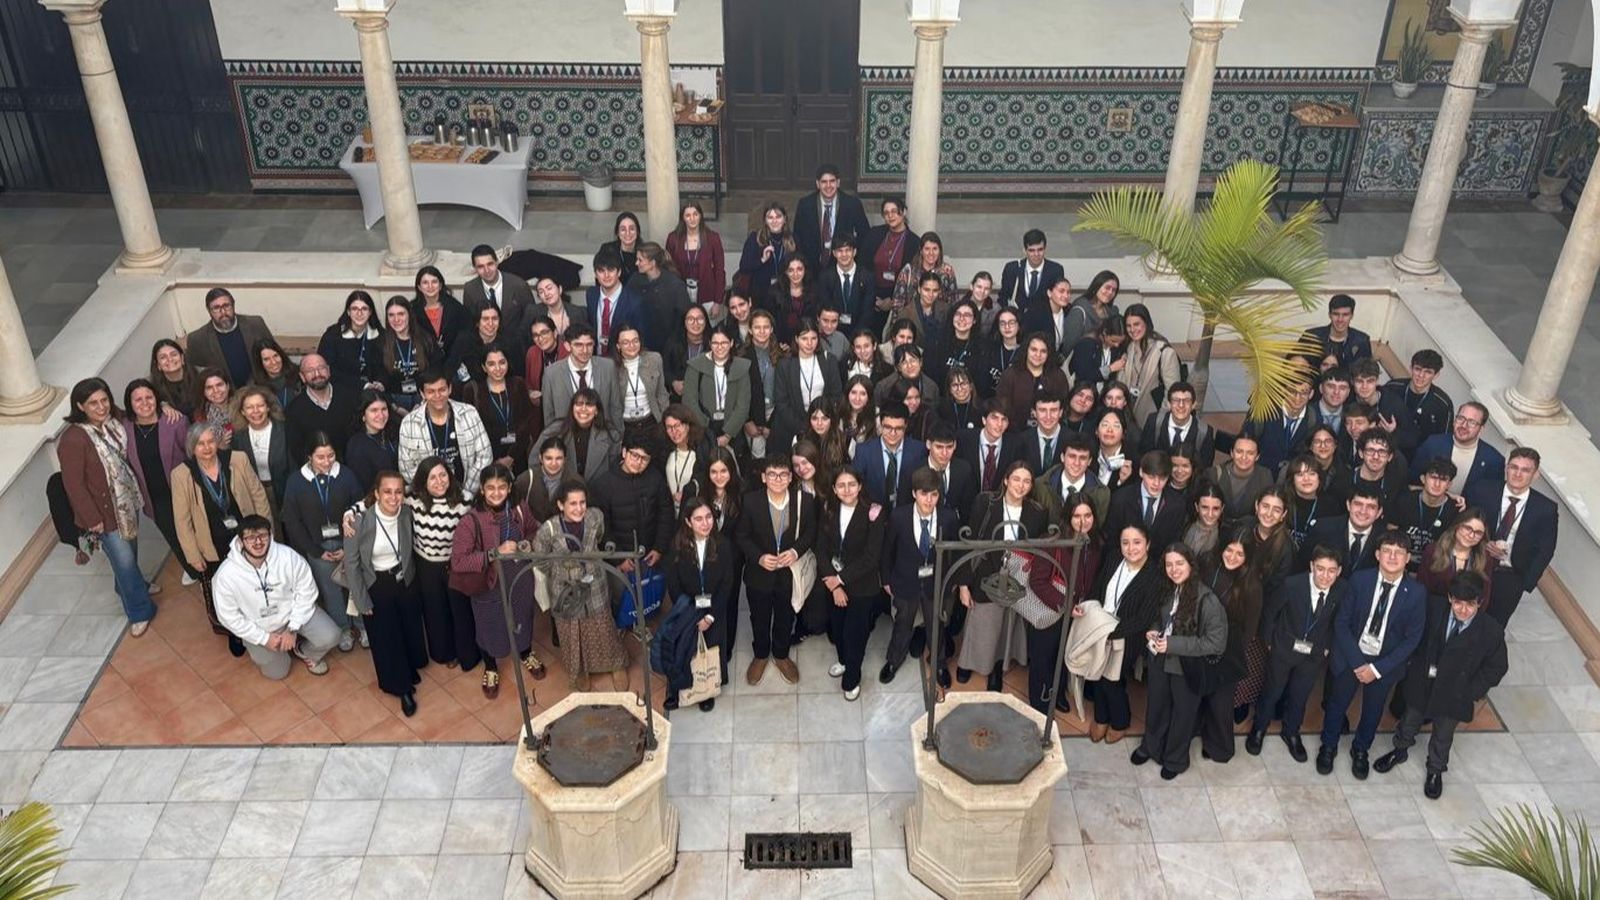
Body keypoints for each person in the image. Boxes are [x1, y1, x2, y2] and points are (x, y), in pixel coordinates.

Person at [1372, 571, 1508, 799]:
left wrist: (1470, 691)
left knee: (1443, 734)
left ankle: (1435, 770)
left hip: (1455, 693)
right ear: (1449, 598)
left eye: (1470, 605)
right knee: (1409, 720)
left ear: (1480, 603)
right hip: (1424, 681)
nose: (1463, 610)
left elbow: (1496, 668)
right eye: (1458, 603)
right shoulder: (1433, 609)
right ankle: (1400, 750)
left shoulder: (1491, 631)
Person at [1318, 532, 1426, 778]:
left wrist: (1375, 670)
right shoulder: (1360, 580)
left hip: (1384, 664)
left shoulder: (1417, 593)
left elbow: (1412, 639)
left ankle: (1360, 750)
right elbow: (1342, 623)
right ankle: (1328, 746)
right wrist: (1359, 664)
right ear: (1377, 554)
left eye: (1399, 553)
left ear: (1408, 558)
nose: (1392, 556)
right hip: (1351, 657)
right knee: (1336, 704)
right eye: (1387, 551)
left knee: (1373, 710)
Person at [57, 378, 158, 635]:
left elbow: (141, 409)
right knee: (123, 559)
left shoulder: (115, 420)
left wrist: (163, 406)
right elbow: (74, 485)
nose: (101, 407)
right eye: (93, 403)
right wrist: (92, 518)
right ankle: (139, 611)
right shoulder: (74, 438)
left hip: (126, 501)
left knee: (129, 549)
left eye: (104, 400)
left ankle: (131, 584)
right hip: (103, 511)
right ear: (80, 406)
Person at [171, 421, 272, 655]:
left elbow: (258, 495)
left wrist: (266, 531)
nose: (207, 448)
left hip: (246, 537)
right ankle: (234, 633)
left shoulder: (237, 459)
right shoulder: (181, 474)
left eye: (210, 442)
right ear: (192, 448)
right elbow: (182, 520)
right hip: (212, 544)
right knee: (224, 591)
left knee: (252, 584)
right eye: (200, 444)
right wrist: (193, 555)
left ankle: (259, 625)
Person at [1130, 543, 1227, 780]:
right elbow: (1158, 619)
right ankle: (1150, 746)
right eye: (1169, 564)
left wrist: (1172, 644)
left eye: (1179, 563)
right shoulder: (1167, 589)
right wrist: (1153, 631)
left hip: (1187, 667)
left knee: (1183, 714)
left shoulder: (1208, 600)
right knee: (1156, 705)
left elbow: (1216, 643)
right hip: (1160, 661)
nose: (1174, 569)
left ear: (1190, 565)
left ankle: (1175, 758)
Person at [451, 463, 546, 699]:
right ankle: (491, 667)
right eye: (490, 488)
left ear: (509, 487)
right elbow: (459, 562)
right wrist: (494, 553)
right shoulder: (470, 521)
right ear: (482, 489)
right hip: (488, 583)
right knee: (489, 625)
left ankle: (525, 652)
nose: (496, 493)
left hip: (519, 577)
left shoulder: (519, 508)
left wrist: (524, 545)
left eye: (501, 487)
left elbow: (534, 531)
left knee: (522, 615)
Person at [1247, 546, 1347, 761]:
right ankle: (1259, 728)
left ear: (1339, 571)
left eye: (1331, 571)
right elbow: (1270, 613)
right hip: (1283, 647)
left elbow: (1339, 622)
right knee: (1272, 690)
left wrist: (1327, 646)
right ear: (1311, 566)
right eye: (1320, 569)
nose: (1325, 575)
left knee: (1300, 695)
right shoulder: (1292, 585)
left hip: (1314, 654)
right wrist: (1269, 643)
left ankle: (1291, 731)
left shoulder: (1342, 590)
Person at [212, 515, 341, 678]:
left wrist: (292, 628)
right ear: (240, 541)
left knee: (332, 636)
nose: (258, 542)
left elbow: (306, 591)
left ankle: (304, 650)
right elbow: (228, 616)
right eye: (251, 537)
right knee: (278, 673)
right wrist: (263, 638)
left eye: (262, 535)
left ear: (270, 535)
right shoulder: (225, 575)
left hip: (292, 617)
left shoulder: (288, 556)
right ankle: (279, 655)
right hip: (260, 627)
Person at [531, 479, 630, 691]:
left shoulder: (595, 517)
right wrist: (560, 572)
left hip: (594, 584)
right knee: (571, 633)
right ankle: (579, 671)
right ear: (560, 505)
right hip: (565, 591)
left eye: (582, 502)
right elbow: (539, 558)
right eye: (572, 504)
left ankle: (616, 665)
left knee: (603, 627)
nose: (579, 508)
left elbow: (600, 537)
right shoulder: (548, 529)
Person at [957, 461, 1046, 692]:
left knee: (1004, 626)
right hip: (986, 573)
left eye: (1027, 481)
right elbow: (970, 544)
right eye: (1016, 479)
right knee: (981, 622)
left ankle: (996, 668)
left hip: (1016, 578)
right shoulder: (985, 502)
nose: (1021, 485)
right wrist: (964, 584)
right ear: (1006, 480)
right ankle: (967, 663)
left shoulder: (1036, 512)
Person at [343, 470, 427, 716]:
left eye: (398, 491)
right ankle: (401, 688)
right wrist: (361, 599)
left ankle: (410, 668)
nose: (393, 497)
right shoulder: (358, 522)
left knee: (409, 628)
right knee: (386, 637)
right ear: (377, 494)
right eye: (387, 492)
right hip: (376, 584)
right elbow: (352, 564)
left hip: (404, 579)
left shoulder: (407, 513)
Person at [735, 454, 817, 685]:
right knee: (759, 617)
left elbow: (811, 531)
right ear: (763, 477)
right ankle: (761, 654)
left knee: (785, 615)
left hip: (789, 573)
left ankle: (781, 655)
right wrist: (759, 557)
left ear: (791, 477)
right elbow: (741, 536)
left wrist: (795, 551)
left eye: (783, 475)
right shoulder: (750, 501)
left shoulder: (804, 500)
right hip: (759, 573)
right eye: (772, 474)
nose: (778, 479)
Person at [281, 431, 366, 651]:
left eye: (331, 456)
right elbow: (292, 521)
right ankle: (343, 630)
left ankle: (362, 626)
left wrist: (350, 548)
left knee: (356, 586)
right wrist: (315, 551)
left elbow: (360, 511)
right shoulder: (296, 482)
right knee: (331, 592)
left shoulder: (346, 475)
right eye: (320, 457)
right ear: (309, 456)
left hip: (349, 544)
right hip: (318, 549)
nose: (327, 462)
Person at [1081, 524, 1165, 743]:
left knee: (1113, 681)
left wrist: (1110, 632)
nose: (1131, 548)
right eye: (1125, 542)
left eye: (1137, 542)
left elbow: (1143, 619)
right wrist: (1089, 610)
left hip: (1127, 636)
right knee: (1096, 674)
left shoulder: (1154, 576)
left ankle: (1120, 721)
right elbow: (1098, 588)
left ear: (1148, 544)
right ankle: (1101, 718)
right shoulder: (1114, 557)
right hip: (1100, 627)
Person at [881, 467, 962, 687]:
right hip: (905, 581)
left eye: (934, 494)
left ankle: (939, 664)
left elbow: (955, 553)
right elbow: (888, 550)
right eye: (924, 494)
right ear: (914, 493)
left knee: (936, 626)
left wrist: (953, 582)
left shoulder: (948, 518)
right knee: (903, 623)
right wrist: (886, 579)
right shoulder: (899, 516)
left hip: (936, 585)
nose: (929, 499)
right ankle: (893, 660)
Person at [1024, 493, 1103, 715]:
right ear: (1067, 517)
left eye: (1088, 515)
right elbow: (1037, 581)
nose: (1083, 521)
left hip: (1077, 612)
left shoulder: (1095, 542)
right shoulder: (1053, 541)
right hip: (1052, 610)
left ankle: (1057, 694)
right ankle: (1039, 704)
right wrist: (1065, 604)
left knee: (1062, 655)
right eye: (1077, 516)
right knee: (1043, 659)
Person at [1465, 447, 1558, 626]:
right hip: (1475, 563)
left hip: (1510, 574)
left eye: (1525, 470)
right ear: (1506, 468)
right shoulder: (1483, 490)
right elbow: (1463, 523)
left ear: (1536, 474)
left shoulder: (1546, 508)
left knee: (1494, 626)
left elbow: (1546, 549)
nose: (1517, 474)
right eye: (1514, 467)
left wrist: (1524, 583)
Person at [818, 466, 887, 701]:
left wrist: (841, 580)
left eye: (851, 484)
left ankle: (852, 678)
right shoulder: (828, 509)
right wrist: (835, 585)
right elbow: (821, 548)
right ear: (834, 490)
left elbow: (871, 557)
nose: (846, 490)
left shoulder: (874, 512)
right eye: (841, 485)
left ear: (859, 487)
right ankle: (843, 661)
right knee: (837, 629)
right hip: (832, 582)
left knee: (854, 635)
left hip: (861, 586)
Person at [405, 457, 478, 671]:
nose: (439, 482)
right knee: (435, 611)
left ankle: (468, 654)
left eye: (443, 475)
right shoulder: (412, 497)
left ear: (450, 475)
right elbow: (374, 499)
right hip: (426, 565)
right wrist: (349, 515)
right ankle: (445, 653)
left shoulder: (465, 500)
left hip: (455, 563)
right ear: (423, 482)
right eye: (432, 478)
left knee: (460, 610)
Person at [663, 498, 736, 711]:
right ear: (688, 521)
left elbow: (726, 584)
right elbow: (674, 583)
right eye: (698, 519)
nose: (705, 523)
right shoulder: (677, 545)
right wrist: (689, 612)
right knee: (682, 648)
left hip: (713, 608)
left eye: (708, 517)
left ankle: (706, 690)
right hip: (687, 608)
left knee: (711, 647)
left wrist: (710, 616)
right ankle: (677, 689)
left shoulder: (723, 545)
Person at [123, 379, 193, 582]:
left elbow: (190, 455)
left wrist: (165, 404)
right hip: (153, 496)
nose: (144, 403)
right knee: (171, 534)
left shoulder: (176, 422)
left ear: (157, 399)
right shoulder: (125, 426)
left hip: (181, 491)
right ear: (130, 403)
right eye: (138, 399)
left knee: (191, 529)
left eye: (149, 397)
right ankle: (190, 567)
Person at [589, 432, 675, 590]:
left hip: (650, 556)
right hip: (618, 560)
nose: (639, 462)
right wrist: (618, 558)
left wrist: (659, 548)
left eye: (644, 458)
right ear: (624, 452)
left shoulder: (656, 479)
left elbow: (665, 514)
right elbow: (602, 527)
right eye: (634, 455)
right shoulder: (604, 484)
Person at [1205, 535, 1266, 742]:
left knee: (1220, 698)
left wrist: (1227, 653)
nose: (1232, 557)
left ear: (1247, 558)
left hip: (1229, 647)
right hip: (1203, 638)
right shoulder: (1210, 566)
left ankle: (1214, 739)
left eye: (1239, 554)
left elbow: (1249, 630)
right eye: (1229, 550)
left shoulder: (1252, 585)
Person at [397, 370, 494, 498]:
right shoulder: (409, 423)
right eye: (431, 391)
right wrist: (435, 491)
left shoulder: (470, 413)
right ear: (422, 393)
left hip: (468, 494)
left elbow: (485, 456)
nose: (438, 395)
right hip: (429, 499)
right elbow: (406, 468)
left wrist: (467, 492)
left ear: (450, 389)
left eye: (442, 389)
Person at [1102, 451, 1187, 564]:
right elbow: (1111, 539)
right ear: (1141, 472)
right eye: (1151, 477)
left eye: (1162, 478)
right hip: (1122, 564)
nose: (1156, 484)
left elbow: (1173, 543)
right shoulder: (1121, 499)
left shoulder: (1177, 505)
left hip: (1156, 569)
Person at [769, 318, 839, 453]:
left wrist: (820, 422)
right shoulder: (785, 364)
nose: (809, 343)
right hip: (790, 429)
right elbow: (782, 403)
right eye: (804, 338)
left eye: (813, 338)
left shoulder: (829, 360)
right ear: (796, 339)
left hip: (822, 426)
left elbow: (835, 395)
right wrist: (804, 427)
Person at [184, 287, 277, 388]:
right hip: (227, 396)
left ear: (233, 305)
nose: (223, 312)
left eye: (226, 306)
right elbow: (195, 376)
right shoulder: (197, 339)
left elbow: (275, 353)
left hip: (261, 387)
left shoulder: (255, 324)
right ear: (209, 311)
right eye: (216, 308)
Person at [1409, 401, 1503, 493]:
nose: (1464, 425)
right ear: (1454, 421)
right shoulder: (1433, 443)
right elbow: (1412, 482)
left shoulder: (1493, 460)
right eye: (1460, 418)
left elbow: (1490, 498)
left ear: (1481, 429)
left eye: (1472, 422)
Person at [225, 385, 289, 519]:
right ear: (242, 411)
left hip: (284, 491)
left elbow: (294, 466)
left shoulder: (284, 430)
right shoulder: (237, 437)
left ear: (268, 407)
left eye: (260, 405)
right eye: (249, 407)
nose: (255, 411)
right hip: (255, 493)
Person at [683, 329, 752, 452]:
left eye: (724, 343)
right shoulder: (696, 365)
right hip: (704, 426)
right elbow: (689, 400)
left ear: (731, 343)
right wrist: (705, 427)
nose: (719, 347)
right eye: (715, 343)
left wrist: (728, 434)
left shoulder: (741, 367)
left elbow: (743, 405)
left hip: (732, 427)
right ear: (710, 343)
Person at [284, 353, 362, 461]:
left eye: (321, 368)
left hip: (352, 467)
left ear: (329, 370)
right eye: (310, 370)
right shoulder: (294, 410)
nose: (317, 374)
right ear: (302, 377)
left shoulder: (352, 398)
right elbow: (297, 450)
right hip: (317, 471)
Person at [542, 324, 621, 426]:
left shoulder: (608, 367)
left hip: (602, 437)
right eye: (578, 345)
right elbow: (549, 415)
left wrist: (617, 437)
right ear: (567, 346)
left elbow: (616, 407)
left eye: (589, 345)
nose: (585, 350)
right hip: (566, 438)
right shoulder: (551, 374)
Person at [852, 401, 926, 509]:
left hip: (906, 515)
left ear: (906, 425)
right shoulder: (864, 451)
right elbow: (856, 486)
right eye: (888, 427)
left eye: (899, 428)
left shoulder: (918, 450)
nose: (893, 433)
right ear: (881, 424)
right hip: (872, 516)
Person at [537, 387, 621, 482]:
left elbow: (615, 472)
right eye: (579, 404)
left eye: (589, 404)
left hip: (598, 492)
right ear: (572, 408)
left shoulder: (611, 435)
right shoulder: (554, 430)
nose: (583, 409)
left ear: (597, 411)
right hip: (560, 491)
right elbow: (534, 460)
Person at [1299, 483, 1388, 572]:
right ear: (1348, 505)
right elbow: (1303, 566)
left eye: (1371, 507)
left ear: (1379, 512)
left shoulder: (1385, 538)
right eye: (1358, 504)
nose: (1363, 511)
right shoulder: (1323, 528)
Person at [793, 163, 870, 266]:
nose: (828, 186)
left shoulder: (852, 204)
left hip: (842, 266)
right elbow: (797, 236)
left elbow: (864, 234)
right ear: (817, 184)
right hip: (812, 267)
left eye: (832, 181)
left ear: (838, 182)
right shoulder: (805, 205)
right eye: (824, 182)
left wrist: (852, 260)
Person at [1243, 372, 1318, 476]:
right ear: (1283, 390)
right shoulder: (1263, 411)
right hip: (1260, 477)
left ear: (1311, 394)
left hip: (1292, 480)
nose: (1297, 398)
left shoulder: (1313, 419)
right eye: (1292, 391)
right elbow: (1245, 441)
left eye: (1304, 393)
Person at [1381, 348, 1453, 453]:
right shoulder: (1393, 387)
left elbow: (1443, 440)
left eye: (1428, 372)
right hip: (1387, 448)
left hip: (1421, 456)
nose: (1421, 376)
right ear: (1411, 368)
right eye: (1418, 369)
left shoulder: (1442, 404)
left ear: (1436, 375)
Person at [611, 324, 670, 452]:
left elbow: (661, 393)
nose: (632, 346)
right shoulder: (610, 367)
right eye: (625, 343)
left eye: (635, 341)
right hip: (625, 426)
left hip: (651, 422)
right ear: (618, 346)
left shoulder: (654, 359)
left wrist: (666, 421)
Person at [860, 196, 921, 316]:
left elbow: (913, 276)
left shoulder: (914, 242)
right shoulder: (874, 234)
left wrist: (892, 301)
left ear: (903, 212)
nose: (890, 216)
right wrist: (874, 299)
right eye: (886, 213)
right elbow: (862, 264)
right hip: (871, 294)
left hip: (898, 297)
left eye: (894, 211)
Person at [1390, 458, 1459, 565]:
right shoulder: (1404, 500)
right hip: (1399, 560)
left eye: (1443, 479)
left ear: (1449, 484)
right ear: (1423, 479)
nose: (1437, 484)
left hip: (1433, 566)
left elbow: (1451, 546)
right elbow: (1391, 532)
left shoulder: (1454, 510)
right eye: (1433, 477)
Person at [665, 200, 726, 318]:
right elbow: (668, 270)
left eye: (695, 214)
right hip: (681, 293)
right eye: (688, 215)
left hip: (707, 294)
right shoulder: (673, 239)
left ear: (700, 216)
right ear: (682, 218)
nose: (692, 219)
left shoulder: (713, 238)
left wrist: (718, 301)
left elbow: (719, 271)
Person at [996, 333, 1070, 428]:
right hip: (1014, 432)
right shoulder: (1010, 375)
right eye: (1034, 350)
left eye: (1043, 351)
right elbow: (1001, 407)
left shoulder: (1058, 376)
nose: (1038, 355)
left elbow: (1063, 407)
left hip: (1048, 430)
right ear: (1026, 350)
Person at [464, 243, 536, 339]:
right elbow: (471, 321)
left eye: (490, 264)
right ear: (475, 268)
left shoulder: (519, 285)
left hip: (516, 343)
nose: (487, 270)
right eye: (481, 266)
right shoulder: (470, 289)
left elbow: (531, 316)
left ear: (497, 262)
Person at [629, 242, 691, 353]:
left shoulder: (675, 285)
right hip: (641, 343)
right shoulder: (634, 280)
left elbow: (682, 318)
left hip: (669, 346)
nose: (636, 263)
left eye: (640, 260)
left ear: (652, 263)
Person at [378, 297, 438, 412]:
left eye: (401, 314)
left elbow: (435, 372)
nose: (396, 319)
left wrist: (422, 402)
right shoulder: (381, 342)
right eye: (391, 315)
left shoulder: (426, 339)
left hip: (423, 398)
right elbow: (380, 378)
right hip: (393, 401)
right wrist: (395, 408)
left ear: (409, 315)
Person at [1203, 434, 1274, 532]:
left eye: (1250, 453)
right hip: (1215, 531)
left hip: (1247, 534)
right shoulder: (1213, 474)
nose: (1244, 457)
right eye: (1239, 451)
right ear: (1232, 453)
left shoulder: (1265, 476)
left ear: (1257, 456)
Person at [318, 290, 386, 387]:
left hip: (371, 390)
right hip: (341, 389)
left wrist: (380, 382)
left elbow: (385, 367)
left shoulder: (380, 335)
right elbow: (328, 369)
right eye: (355, 309)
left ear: (370, 312)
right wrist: (362, 385)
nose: (359, 313)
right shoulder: (333, 336)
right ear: (348, 312)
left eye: (364, 309)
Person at [1141, 381, 1214, 469]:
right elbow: (1143, 456)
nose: (1181, 405)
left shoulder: (1204, 432)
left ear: (1194, 405)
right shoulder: (1154, 421)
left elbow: (1204, 468)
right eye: (1176, 400)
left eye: (1186, 401)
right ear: (1168, 404)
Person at [586, 248, 646, 356]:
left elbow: (641, 338)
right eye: (601, 271)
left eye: (611, 270)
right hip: (596, 360)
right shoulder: (591, 294)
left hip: (622, 361)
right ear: (595, 274)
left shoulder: (634, 301)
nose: (606, 275)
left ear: (619, 272)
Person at [890, 232, 958, 326]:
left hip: (940, 322)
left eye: (935, 249)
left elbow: (953, 301)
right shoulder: (908, 271)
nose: (931, 253)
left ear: (940, 251)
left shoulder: (947, 271)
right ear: (921, 251)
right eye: (927, 249)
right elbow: (898, 303)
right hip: (912, 322)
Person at [957, 399, 1020, 494]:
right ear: (984, 420)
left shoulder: (1015, 445)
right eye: (994, 418)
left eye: (1004, 420)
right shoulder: (963, 439)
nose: (999, 424)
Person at [818, 231, 876, 332]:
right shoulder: (825, 277)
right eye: (840, 251)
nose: (844, 254)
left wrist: (856, 336)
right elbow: (825, 306)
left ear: (854, 252)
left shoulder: (867, 277)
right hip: (833, 332)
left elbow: (867, 312)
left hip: (859, 333)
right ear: (834, 253)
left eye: (848, 250)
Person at [344, 390, 399, 495]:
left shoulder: (394, 431)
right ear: (363, 415)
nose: (381, 415)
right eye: (374, 410)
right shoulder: (356, 446)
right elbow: (364, 488)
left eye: (384, 409)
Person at [738, 202, 797, 299]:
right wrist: (762, 260)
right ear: (765, 221)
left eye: (778, 217)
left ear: (785, 219)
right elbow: (744, 267)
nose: (774, 221)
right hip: (760, 292)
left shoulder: (793, 239)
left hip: (786, 293)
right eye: (770, 217)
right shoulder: (755, 238)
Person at [1300, 294, 1372, 372]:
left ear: (1351, 316)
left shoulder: (1362, 340)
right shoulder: (1311, 336)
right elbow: (1293, 362)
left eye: (1345, 315)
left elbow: (1367, 372)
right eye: (1336, 314)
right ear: (1329, 315)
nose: (1340, 319)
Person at [998, 228, 1065, 313]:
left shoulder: (1055, 270)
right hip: (1017, 322)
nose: (1036, 254)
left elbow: (1058, 299)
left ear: (1045, 249)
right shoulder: (1012, 269)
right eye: (1031, 250)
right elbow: (1003, 298)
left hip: (1044, 322)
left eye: (1040, 249)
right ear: (1025, 251)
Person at [410, 265, 470, 355]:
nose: (430, 286)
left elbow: (465, 335)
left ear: (440, 285)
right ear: (419, 287)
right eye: (425, 283)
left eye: (434, 282)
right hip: (425, 360)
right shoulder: (412, 310)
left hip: (453, 358)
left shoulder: (455, 308)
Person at [1064, 270, 1122, 352]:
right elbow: (1068, 345)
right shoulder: (1079, 311)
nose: (1110, 292)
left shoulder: (1113, 312)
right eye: (1107, 288)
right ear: (1097, 286)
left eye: (1114, 290)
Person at [663, 304, 711, 400]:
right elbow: (665, 369)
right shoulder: (673, 342)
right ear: (684, 322)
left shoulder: (713, 342)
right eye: (690, 319)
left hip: (708, 397)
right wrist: (674, 382)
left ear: (706, 321)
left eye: (700, 319)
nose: (695, 323)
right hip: (681, 398)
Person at [1023, 275, 1078, 358]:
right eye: (1061, 291)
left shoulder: (1070, 311)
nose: (1066, 296)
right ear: (1049, 293)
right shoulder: (1035, 314)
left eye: (1068, 292)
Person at [150, 339, 203, 420]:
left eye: (174, 354)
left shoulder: (201, 375)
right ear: (158, 365)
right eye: (163, 357)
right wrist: (162, 405)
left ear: (182, 358)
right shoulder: (152, 388)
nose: (170, 359)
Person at [1018, 392, 1066, 477]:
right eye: (1043, 410)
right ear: (1034, 413)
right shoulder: (1021, 440)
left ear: (1061, 412)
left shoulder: (1073, 439)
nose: (1048, 416)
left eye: (1053, 410)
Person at [251, 338, 302, 412]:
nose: (273, 362)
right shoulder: (255, 386)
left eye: (275, 356)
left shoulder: (299, 375)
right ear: (260, 363)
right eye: (266, 359)